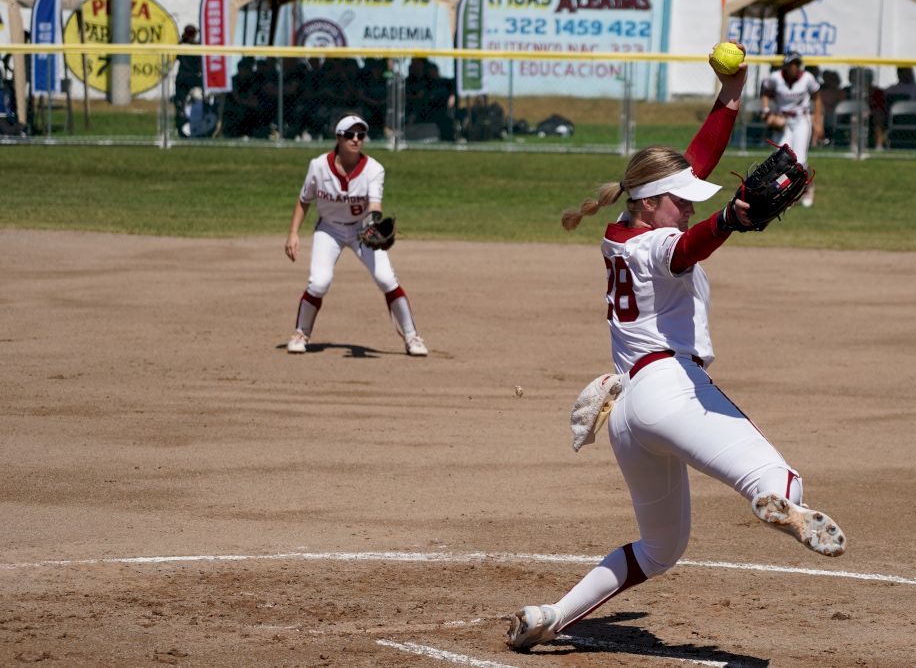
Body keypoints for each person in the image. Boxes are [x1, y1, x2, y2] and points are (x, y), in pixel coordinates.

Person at [505, 43, 845, 652]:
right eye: (681, 200)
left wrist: (731, 94)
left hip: (628, 412)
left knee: (661, 547)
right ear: (651, 201)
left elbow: (695, 162)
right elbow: (686, 248)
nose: (690, 207)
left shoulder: (622, 234)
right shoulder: (659, 244)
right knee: (782, 478)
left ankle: (550, 617)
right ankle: (780, 503)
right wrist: (728, 223)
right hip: (672, 390)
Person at [284, 114, 428, 357]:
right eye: (350, 134)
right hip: (328, 228)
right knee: (319, 282)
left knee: (385, 278)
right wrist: (293, 233)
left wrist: (372, 225)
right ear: (339, 137)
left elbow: (375, 204)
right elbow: (304, 200)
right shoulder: (318, 166)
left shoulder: (374, 169)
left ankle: (412, 337)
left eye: (361, 135)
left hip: (362, 230)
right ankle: (300, 333)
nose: (356, 139)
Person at [760, 53, 820, 207]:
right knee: (782, 160)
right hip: (783, 120)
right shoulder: (776, 78)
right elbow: (765, 90)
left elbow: (817, 97)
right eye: (790, 64)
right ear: (785, 65)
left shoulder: (807, 78)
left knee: (800, 161)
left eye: (796, 64)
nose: (793, 67)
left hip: (801, 119)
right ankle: (786, 193)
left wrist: (818, 121)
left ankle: (809, 187)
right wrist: (766, 111)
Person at [172, 25, 202, 135]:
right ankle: (191, 126)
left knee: (181, 104)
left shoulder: (181, 45)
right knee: (194, 102)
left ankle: (181, 126)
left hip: (182, 77)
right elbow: (199, 64)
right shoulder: (197, 46)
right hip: (193, 78)